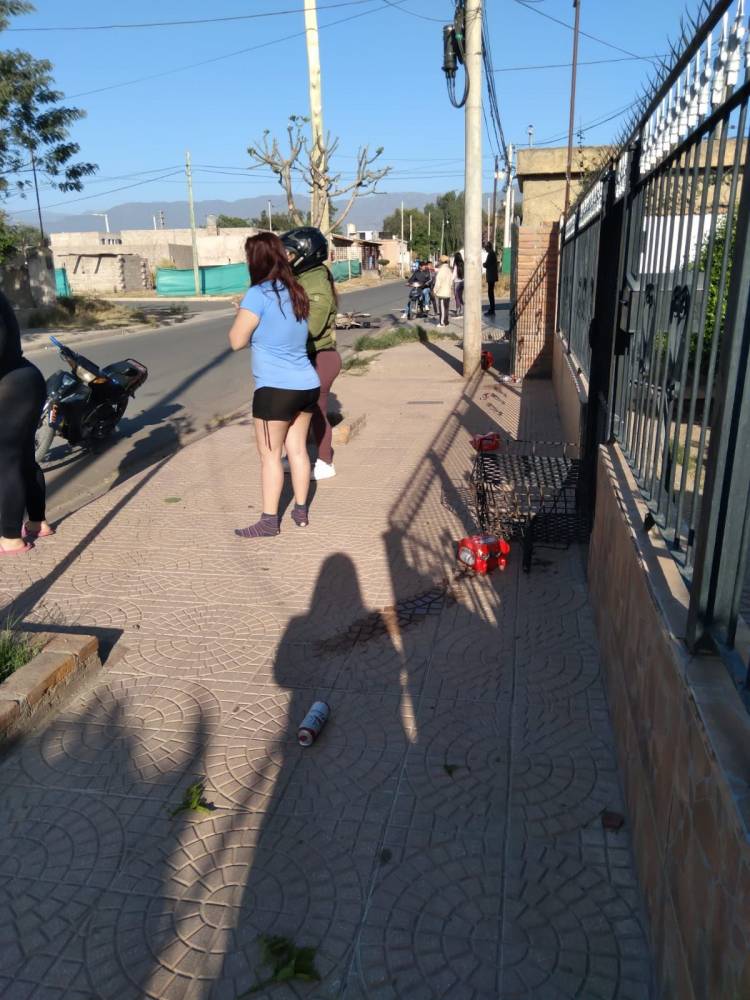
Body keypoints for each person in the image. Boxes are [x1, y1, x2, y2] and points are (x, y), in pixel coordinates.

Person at [229, 232, 320, 538]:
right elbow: (283, 332)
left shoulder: (257, 294)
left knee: (270, 456)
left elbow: (236, 341)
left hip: (275, 390)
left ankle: (269, 521)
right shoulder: (297, 292)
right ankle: (301, 511)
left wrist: (242, 315)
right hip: (307, 384)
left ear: (254, 260)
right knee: (297, 450)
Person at [281, 226, 341, 480]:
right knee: (297, 411)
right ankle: (298, 456)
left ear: (306, 253)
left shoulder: (315, 280)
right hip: (308, 357)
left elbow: (311, 327)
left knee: (316, 410)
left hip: (320, 357)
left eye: (290, 253)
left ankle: (325, 462)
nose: (286, 258)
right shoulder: (305, 277)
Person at [0, 290, 53, 554]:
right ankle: (36, 522)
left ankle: (10, 537)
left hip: (10, 385)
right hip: (22, 379)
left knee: (6, 461)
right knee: (22, 458)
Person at [434, 254, 453, 327]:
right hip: (447, 292)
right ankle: (446, 322)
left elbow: (438, 282)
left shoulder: (441, 270)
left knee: (442, 308)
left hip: (442, 292)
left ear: (441, 262)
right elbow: (451, 282)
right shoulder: (449, 270)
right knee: (446, 308)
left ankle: (442, 323)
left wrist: (434, 291)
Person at [484, 241, 498, 316]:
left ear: (488, 247)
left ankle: (492, 309)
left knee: (490, 293)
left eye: (486, 247)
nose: (485, 249)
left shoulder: (491, 254)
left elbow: (487, 264)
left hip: (491, 277)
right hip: (492, 276)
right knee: (490, 293)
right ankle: (491, 309)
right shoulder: (492, 253)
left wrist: (484, 264)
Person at [452, 252, 465, 316]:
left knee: (457, 296)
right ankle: (462, 309)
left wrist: (450, 280)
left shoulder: (456, 264)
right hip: (462, 282)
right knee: (460, 296)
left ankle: (458, 310)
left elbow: (454, 274)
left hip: (457, 282)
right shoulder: (463, 264)